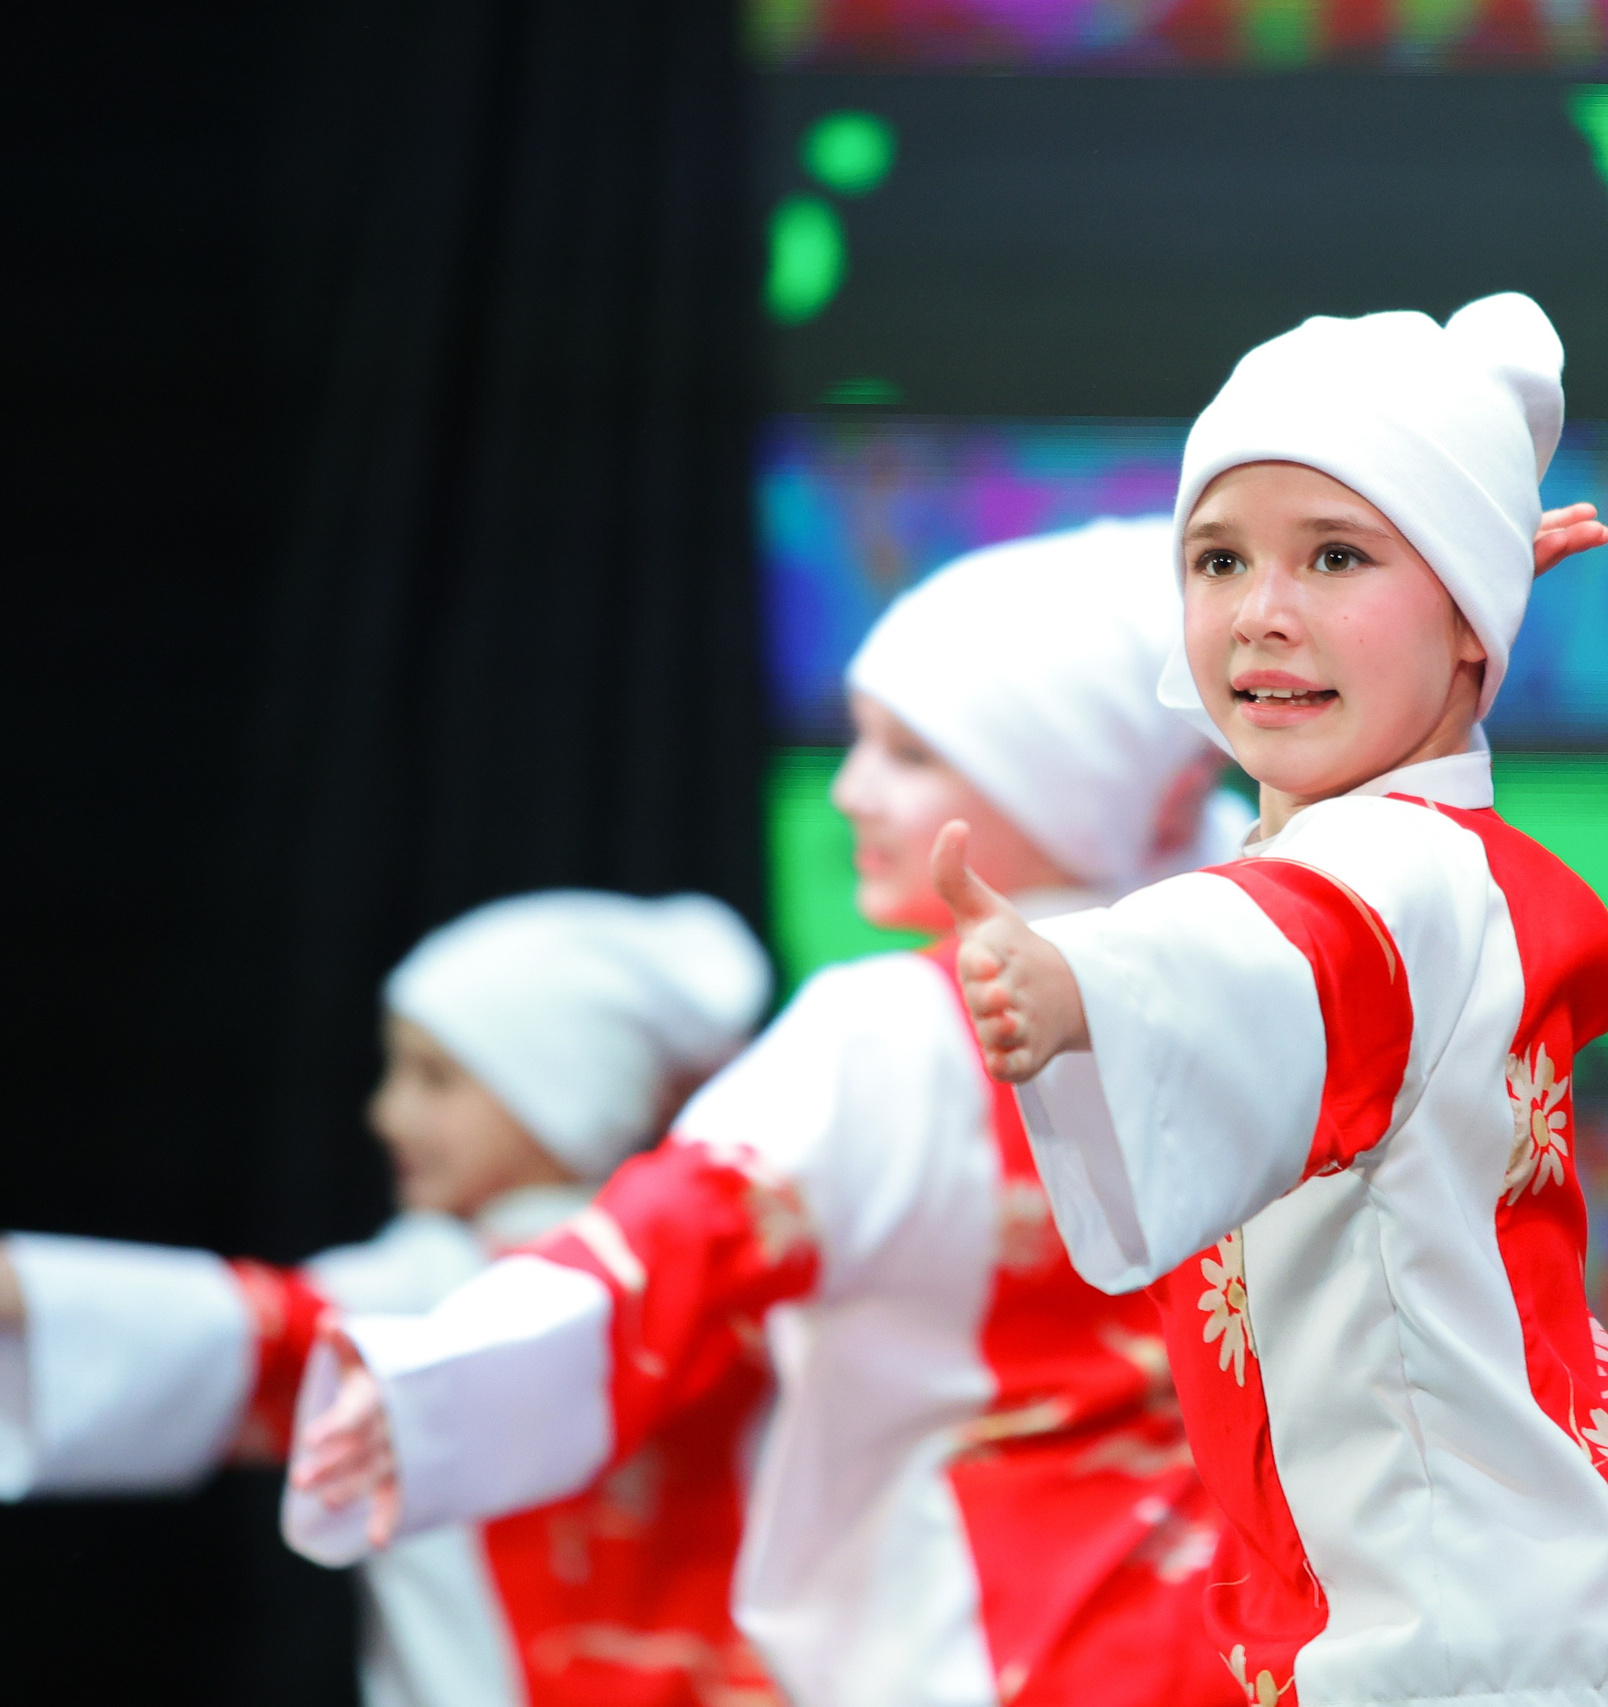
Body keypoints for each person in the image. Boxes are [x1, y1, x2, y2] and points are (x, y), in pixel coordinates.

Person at [288, 518, 1264, 1707]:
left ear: (1063, 783)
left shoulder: (897, 1029)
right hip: (1256, 1629)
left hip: (985, 1637)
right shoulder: (1260, 992)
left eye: (912, 754)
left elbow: (681, 1232)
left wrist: (439, 1386)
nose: (852, 789)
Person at [931, 297, 1608, 1707]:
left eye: (1336, 555)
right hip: (1469, 1570)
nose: (1263, 609)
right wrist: (1433, 589)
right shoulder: (1375, 842)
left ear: (1476, 624)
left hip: (1463, 1616)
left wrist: (1083, 981)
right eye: (1220, 557)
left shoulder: (1395, 866)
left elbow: (1284, 941)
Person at [0, 890, 776, 1707]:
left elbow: (250, 1326)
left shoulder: (442, 1287)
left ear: (570, 1087)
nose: (386, 1113)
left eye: (435, 1078)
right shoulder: (733, 1269)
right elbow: (252, 1327)